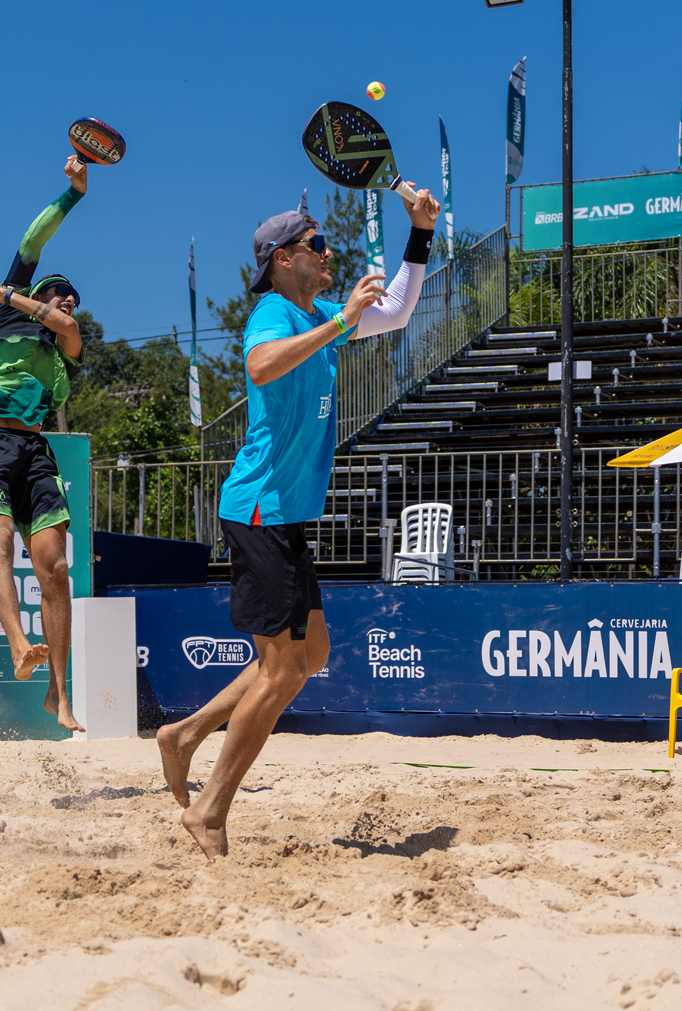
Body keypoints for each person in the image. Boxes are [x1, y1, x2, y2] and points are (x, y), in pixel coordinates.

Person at [166, 185, 441, 858]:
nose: (328, 252)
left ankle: (187, 732)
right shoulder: (272, 312)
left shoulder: (316, 314)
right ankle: (209, 809)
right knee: (284, 669)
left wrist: (420, 232)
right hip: (260, 507)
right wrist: (339, 320)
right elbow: (258, 366)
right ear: (282, 258)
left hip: (281, 513)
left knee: (304, 656)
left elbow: (401, 311)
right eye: (317, 245)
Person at [0, 155, 90, 732]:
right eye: (59, 292)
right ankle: (17, 646)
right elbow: (34, 237)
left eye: (73, 297)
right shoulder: (3, 322)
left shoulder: (60, 339)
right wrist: (73, 193)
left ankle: (58, 695)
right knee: (0, 537)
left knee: (56, 569)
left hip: (35, 451)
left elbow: (69, 333)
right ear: (41, 289)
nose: (67, 300)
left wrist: (8, 297)